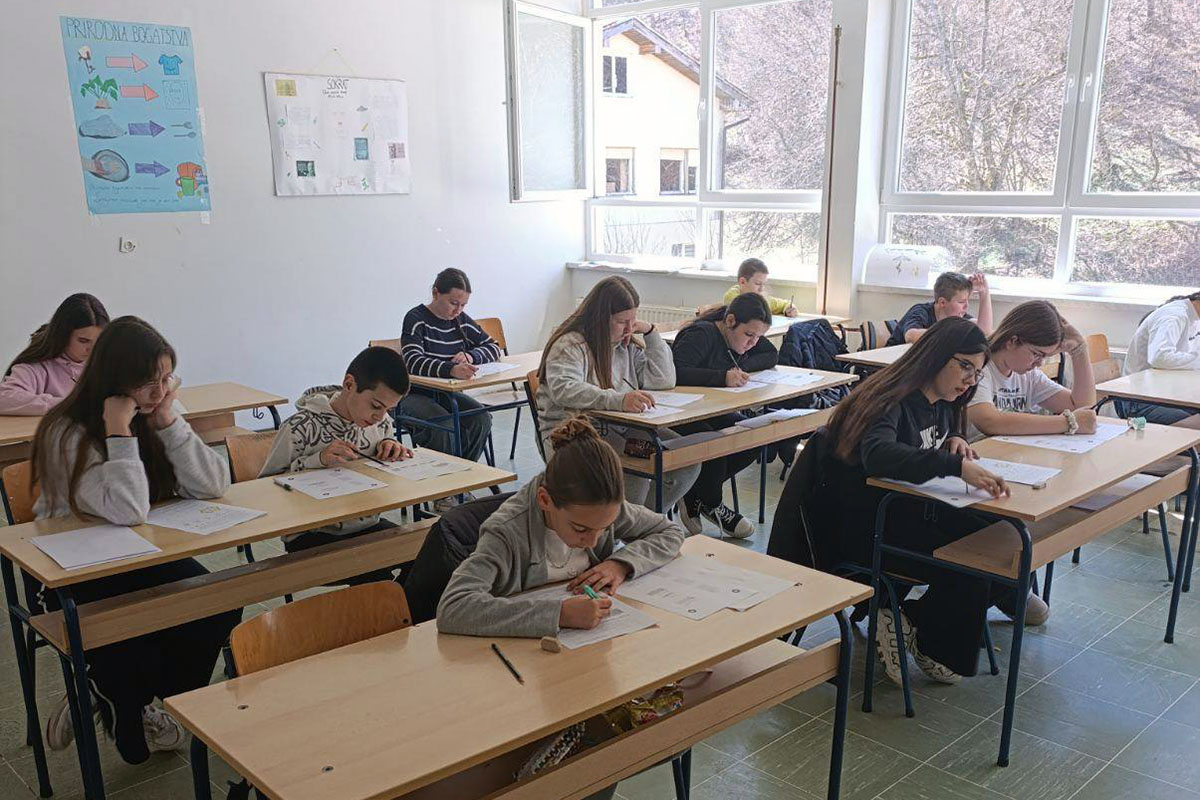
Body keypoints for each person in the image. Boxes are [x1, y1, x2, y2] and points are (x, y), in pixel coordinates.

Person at [29, 316, 242, 764]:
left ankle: (126, 695)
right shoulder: (67, 431)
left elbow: (214, 484)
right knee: (131, 634)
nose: (161, 392)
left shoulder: (156, 411)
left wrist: (168, 422)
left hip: (142, 554)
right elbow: (128, 509)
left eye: (167, 378)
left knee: (219, 602)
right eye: (148, 384)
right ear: (114, 383)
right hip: (72, 570)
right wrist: (119, 432)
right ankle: (117, 692)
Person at [817, 317, 1011, 686]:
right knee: (973, 561)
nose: (970, 380)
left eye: (977, 372)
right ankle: (927, 637)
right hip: (869, 528)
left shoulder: (944, 399)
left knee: (1003, 541)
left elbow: (929, 436)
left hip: (910, 511)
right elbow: (879, 455)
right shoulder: (891, 398)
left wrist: (954, 438)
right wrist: (954, 465)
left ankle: (906, 618)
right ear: (936, 355)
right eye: (964, 366)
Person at [437, 417, 685, 637]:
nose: (593, 541)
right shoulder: (506, 532)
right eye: (580, 529)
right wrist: (559, 614)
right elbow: (454, 607)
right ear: (545, 500)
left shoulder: (602, 508)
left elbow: (670, 532)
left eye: (605, 528)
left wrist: (620, 565)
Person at [537, 276, 700, 512]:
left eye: (633, 320)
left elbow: (663, 381)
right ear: (601, 319)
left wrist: (651, 332)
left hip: (620, 427)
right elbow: (566, 390)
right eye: (622, 321)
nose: (629, 328)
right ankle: (630, 526)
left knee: (686, 460)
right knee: (636, 469)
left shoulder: (625, 344)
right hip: (573, 432)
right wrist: (620, 400)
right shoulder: (570, 345)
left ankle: (644, 521)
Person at [259, 346, 413, 582]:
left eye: (388, 410)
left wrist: (390, 444)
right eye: (376, 406)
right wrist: (318, 460)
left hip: (366, 524)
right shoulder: (299, 427)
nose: (380, 417)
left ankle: (404, 605)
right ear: (349, 385)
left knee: (424, 554)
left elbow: (384, 437)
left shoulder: (380, 424)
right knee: (377, 575)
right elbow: (264, 490)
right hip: (313, 534)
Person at [671, 293, 777, 538]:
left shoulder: (744, 335)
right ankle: (711, 502)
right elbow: (675, 372)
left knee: (752, 434)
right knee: (717, 442)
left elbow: (771, 354)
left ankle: (696, 494)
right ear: (730, 321)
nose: (753, 343)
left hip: (711, 409)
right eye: (749, 335)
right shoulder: (701, 334)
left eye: (758, 336)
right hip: (680, 412)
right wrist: (722, 377)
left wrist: (738, 368)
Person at [398, 268, 500, 470]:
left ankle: (461, 474)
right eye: (453, 303)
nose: (458, 310)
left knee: (480, 418)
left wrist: (471, 356)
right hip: (413, 393)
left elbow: (493, 346)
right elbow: (413, 362)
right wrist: (451, 369)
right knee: (443, 426)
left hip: (445, 393)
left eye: (463, 305)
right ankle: (445, 483)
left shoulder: (460, 320)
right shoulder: (416, 318)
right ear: (436, 293)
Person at [0, 293, 109, 414]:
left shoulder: (105, 364)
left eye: (98, 341)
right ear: (63, 335)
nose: (92, 349)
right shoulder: (37, 368)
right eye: (83, 341)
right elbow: (4, 399)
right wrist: (68, 404)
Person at [1117, 290, 1200, 428]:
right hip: (1138, 401)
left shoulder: (1193, 318)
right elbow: (1160, 357)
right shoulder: (1174, 316)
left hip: (1166, 394)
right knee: (1196, 423)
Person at [886, 272, 993, 347]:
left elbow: (984, 330)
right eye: (961, 302)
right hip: (891, 366)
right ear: (942, 302)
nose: (966, 306)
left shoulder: (957, 316)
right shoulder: (921, 311)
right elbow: (911, 335)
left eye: (967, 301)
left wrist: (984, 292)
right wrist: (952, 333)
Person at [719, 258, 798, 317]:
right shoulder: (732, 297)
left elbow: (785, 303)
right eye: (757, 283)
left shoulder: (762, 296)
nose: (761, 289)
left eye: (764, 284)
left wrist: (789, 309)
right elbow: (750, 312)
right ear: (742, 282)